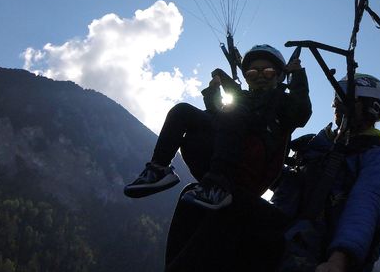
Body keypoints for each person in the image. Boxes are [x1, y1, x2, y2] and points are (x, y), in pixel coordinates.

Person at [61, 72, 380, 272]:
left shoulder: (378, 160)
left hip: (311, 266)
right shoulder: (315, 148)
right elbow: (267, 175)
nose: (338, 112)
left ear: (370, 111)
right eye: (336, 105)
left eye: (347, 105)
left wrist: (339, 260)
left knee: (230, 207)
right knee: (198, 196)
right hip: (280, 242)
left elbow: (365, 206)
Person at [124, 44, 311, 209]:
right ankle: (159, 168)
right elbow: (216, 116)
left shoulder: (284, 102)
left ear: (279, 76)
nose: (260, 76)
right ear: (246, 77)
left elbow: (301, 114)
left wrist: (298, 77)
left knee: (232, 111)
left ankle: (217, 187)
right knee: (183, 111)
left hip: (253, 166)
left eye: (268, 72)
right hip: (222, 159)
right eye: (253, 73)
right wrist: (213, 90)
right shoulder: (243, 99)